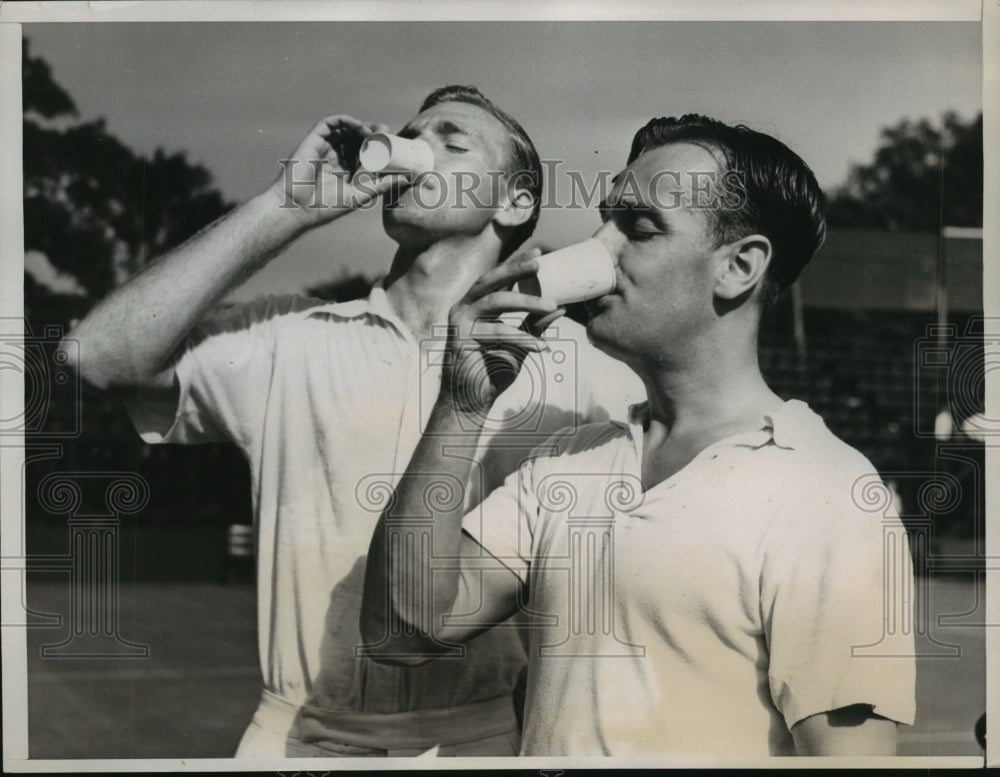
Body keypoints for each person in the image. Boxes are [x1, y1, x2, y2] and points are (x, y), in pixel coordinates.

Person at [60, 86, 643, 757]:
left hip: (480, 738)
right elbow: (93, 356)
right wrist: (285, 208)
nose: (416, 151)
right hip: (298, 737)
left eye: (453, 143)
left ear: (513, 201)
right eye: (412, 135)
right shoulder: (289, 336)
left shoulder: (580, 367)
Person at [361, 114, 917, 757]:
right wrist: (461, 406)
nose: (597, 247)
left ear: (739, 267)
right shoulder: (568, 461)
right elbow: (401, 632)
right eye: (604, 220)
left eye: (639, 227)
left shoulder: (829, 491)